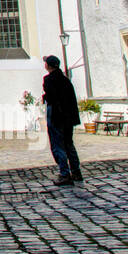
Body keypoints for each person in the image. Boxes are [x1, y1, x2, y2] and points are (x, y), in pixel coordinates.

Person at [42, 54, 83, 185]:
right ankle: (76, 172)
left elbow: (52, 97)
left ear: (48, 66)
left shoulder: (48, 79)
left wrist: (45, 96)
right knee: (69, 144)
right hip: (68, 118)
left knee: (58, 145)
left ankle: (64, 173)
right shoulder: (66, 80)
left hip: (56, 116)